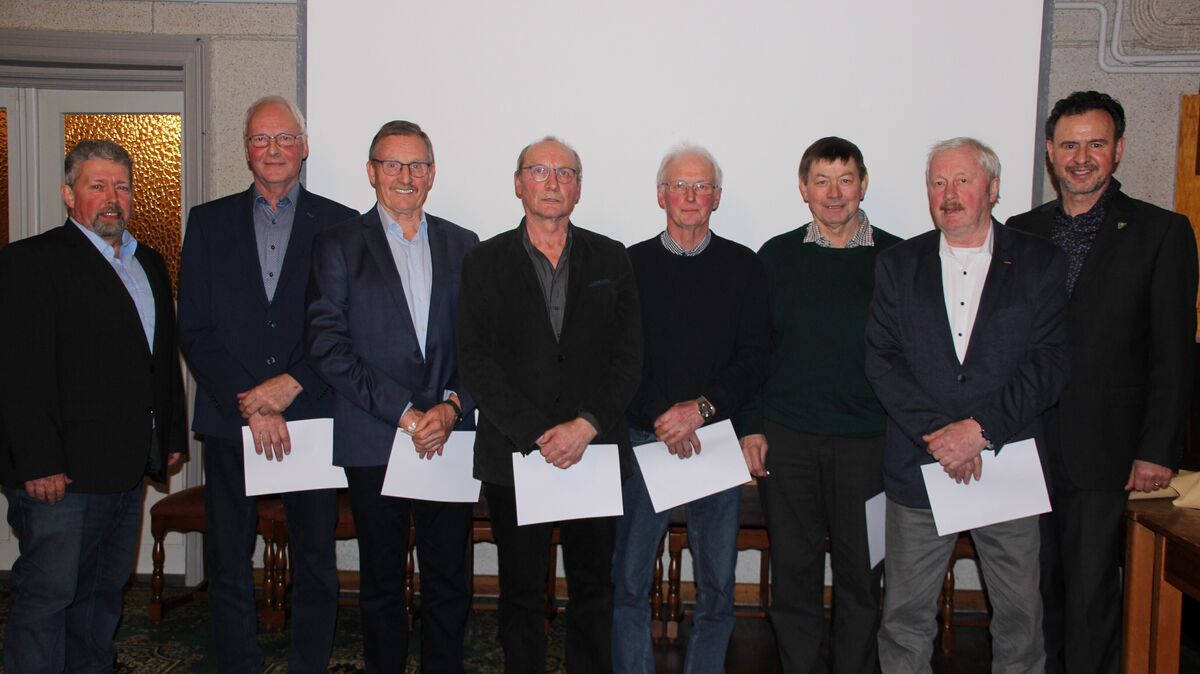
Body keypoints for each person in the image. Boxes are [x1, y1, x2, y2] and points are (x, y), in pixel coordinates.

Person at [1007, 90, 1198, 673]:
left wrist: (1156, 449)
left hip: (1107, 450)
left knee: (1091, 595)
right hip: (1026, 444)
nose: (1081, 156)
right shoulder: (1019, 230)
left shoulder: (1162, 232)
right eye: (1069, 144)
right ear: (1049, 152)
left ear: (1117, 149)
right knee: (1033, 597)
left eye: (1095, 143)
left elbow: (1173, 354)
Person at [866, 137, 1068, 672]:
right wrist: (942, 435)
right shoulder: (896, 263)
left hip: (1007, 464)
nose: (948, 194)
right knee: (904, 622)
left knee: (1020, 622)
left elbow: (1049, 364)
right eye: (937, 182)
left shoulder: (1041, 262)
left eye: (962, 181)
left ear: (993, 189)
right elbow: (883, 360)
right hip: (920, 468)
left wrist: (979, 431)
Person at [177, 95, 356, 673]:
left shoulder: (341, 223)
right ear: (247, 150)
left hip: (310, 417)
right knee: (228, 560)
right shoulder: (207, 222)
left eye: (285, 139)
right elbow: (195, 328)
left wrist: (290, 386)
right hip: (233, 422)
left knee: (314, 560)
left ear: (304, 149)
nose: (274, 150)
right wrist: (253, 402)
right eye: (261, 139)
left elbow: (344, 325)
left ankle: (308, 664)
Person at [0, 139, 187, 673]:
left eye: (122, 186)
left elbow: (158, 357)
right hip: (60, 475)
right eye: (97, 185)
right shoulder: (29, 262)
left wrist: (169, 436)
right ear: (68, 194)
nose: (112, 198)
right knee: (47, 599)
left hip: (126, 468)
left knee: (103, 596)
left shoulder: (147, 262)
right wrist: (38, 461)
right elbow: (17, 371)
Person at [457, 136, 642, 673]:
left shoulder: (612, 257)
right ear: (518, 184)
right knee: (520, 594)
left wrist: (585, 426)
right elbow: (476, 363)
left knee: (593, 589)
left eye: (566, 173)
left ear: (579, 189)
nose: (553, 182)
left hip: (594, 450)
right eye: (539, 171)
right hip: (518, 457)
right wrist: (541, 433)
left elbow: (628, 358)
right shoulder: (483, 262)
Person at [306, 120, 479, 672]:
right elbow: (327, 345)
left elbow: (482, 347)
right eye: (392, 164)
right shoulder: (337, 244)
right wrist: (405, 413)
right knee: (382, 581)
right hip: (375, 435)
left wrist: (451, 408)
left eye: (417, 165)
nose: (406, 176)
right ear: (371, 172)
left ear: (431, 174)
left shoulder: (463, 245)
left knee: (449, 580)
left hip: (448, 438)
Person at [736, 136, 902, 672]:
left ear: (864, 184)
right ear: (804, 188)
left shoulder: (898, 258)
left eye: (846, 180)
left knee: (862, 573)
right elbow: (755, 351)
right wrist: (753, 425)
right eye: (822, 181)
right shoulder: (776, 257)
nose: (834, 194)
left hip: (870, 444)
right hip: (790, 440)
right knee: (795, 572)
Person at [613, 144, 768, 673]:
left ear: (717, 198)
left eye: (701, 187)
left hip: (716, 441)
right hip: (644, 438)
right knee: (629, 582)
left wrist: (698, 411)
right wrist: (664, 417)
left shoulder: (744, 266)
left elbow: (754, 358)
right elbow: (619, 356)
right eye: (680, 185)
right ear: (661, 195)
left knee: (718, 588)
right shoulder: (629, 264)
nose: (690, 196)